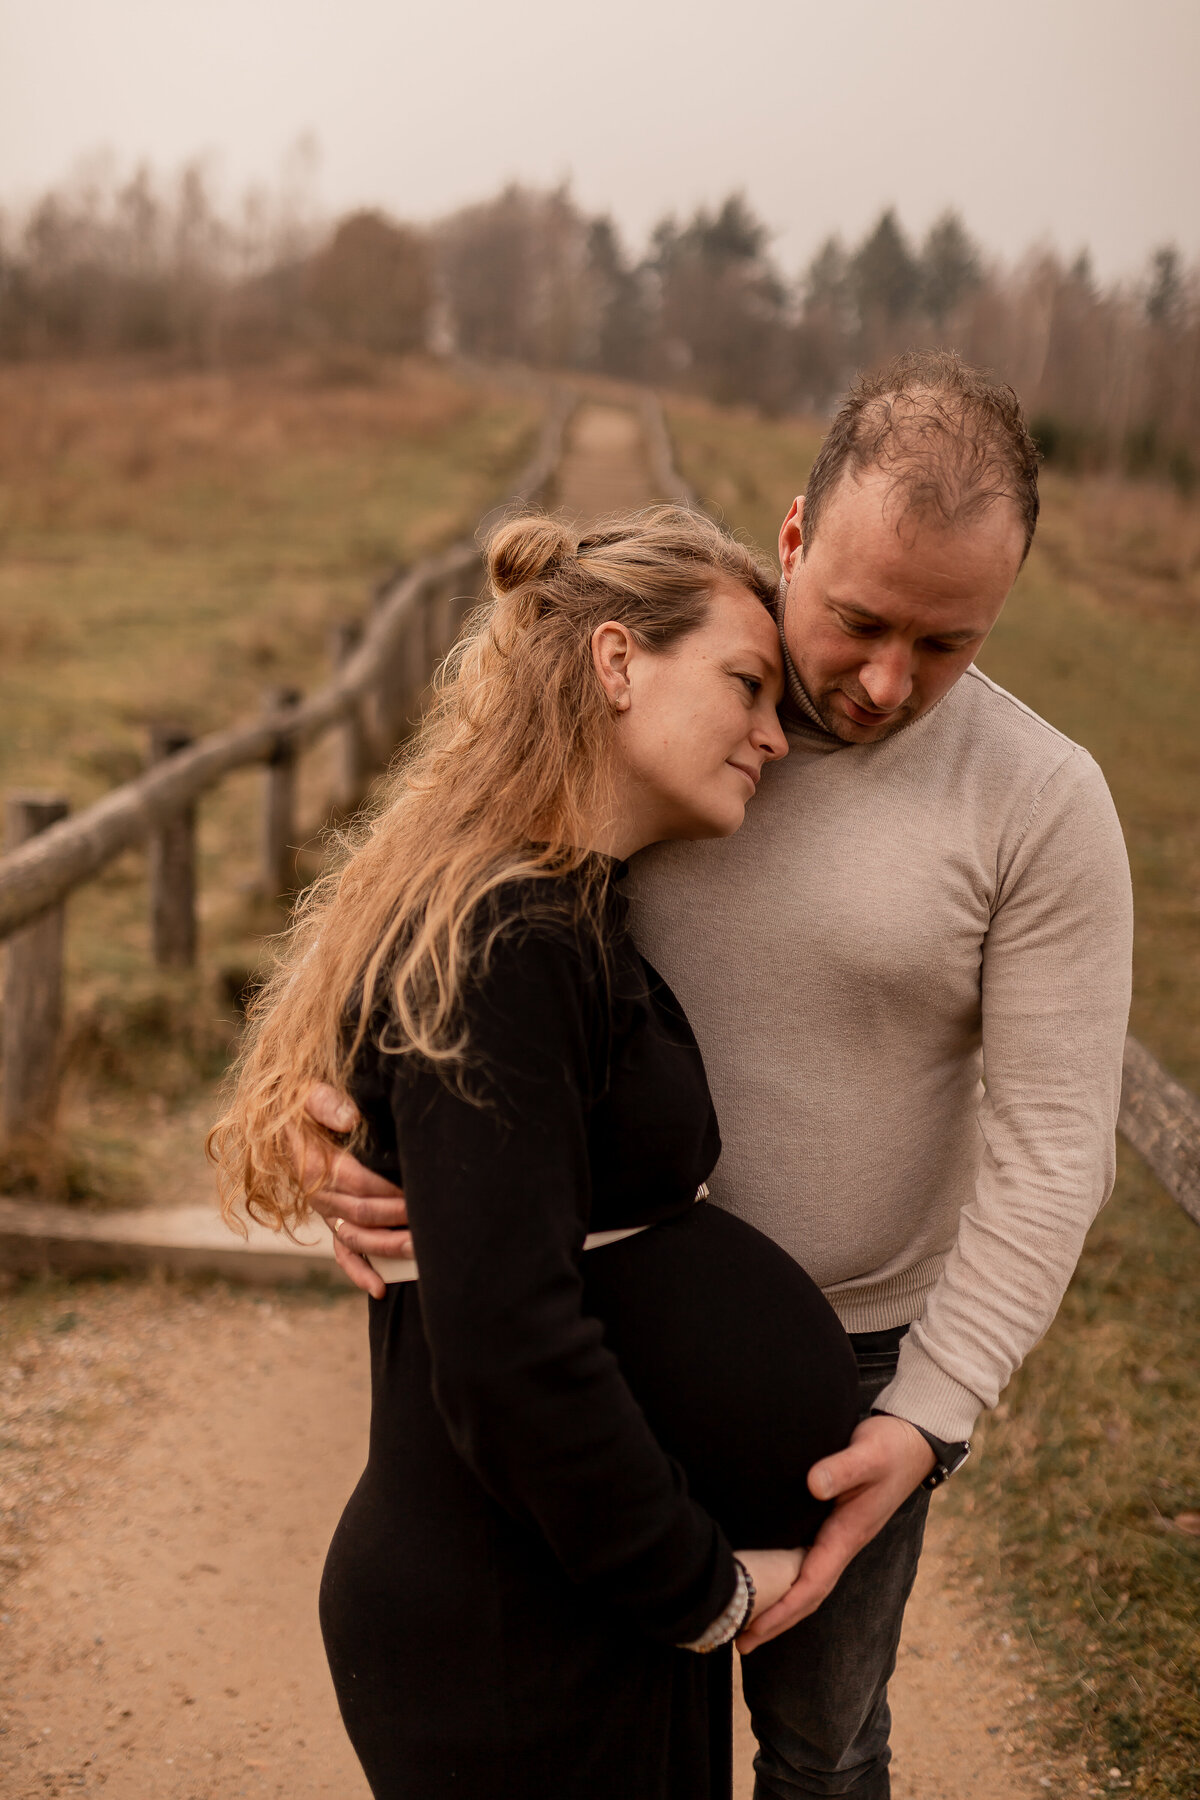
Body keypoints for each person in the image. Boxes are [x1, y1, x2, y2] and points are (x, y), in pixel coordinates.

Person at [304, 350, 1135, 1797]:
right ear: (795, 533)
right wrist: (345, 1120)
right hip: (588, 1348)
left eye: (946, 646)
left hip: (859, 1387)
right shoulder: (675, 686)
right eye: (862, 623)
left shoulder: (1043, 804)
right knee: (609, 1726)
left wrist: (929, 1420)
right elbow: (435, 898)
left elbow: (1056, 1146)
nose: (885, 684)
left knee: (820, 1752)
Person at [210, 507, 862, 1799]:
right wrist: (700, 1587)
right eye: (747, 685)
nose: (776, 736)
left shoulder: (564, 904)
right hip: (516, 1632)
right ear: (617, 664)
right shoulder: (516, 938)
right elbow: (506, 1341)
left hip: (567, 1597)